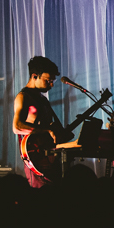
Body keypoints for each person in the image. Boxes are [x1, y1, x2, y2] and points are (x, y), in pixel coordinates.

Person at [12, 55, 72, 188]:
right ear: (34, 76)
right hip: (37, 160)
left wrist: (61, 134)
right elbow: (17, 126)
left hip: (51, 158)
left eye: (52, 81)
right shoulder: (23, 97)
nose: (51, 84)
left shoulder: (43, 100)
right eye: (48, 80)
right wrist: (47, 130)